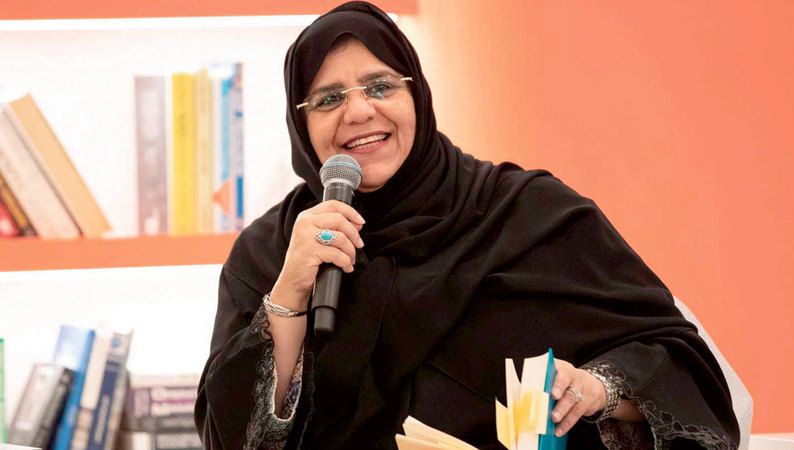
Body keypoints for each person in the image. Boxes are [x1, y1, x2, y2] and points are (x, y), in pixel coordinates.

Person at [194, 2, 739, 449]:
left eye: (380, 86)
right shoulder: (270, 253)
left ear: (417, 96)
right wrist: (289, 297)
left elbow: (683, 370)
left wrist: (598, 389)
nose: (358, 112)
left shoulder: (529, 213)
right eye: (328, 99)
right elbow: (230, 439)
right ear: (300, 123)